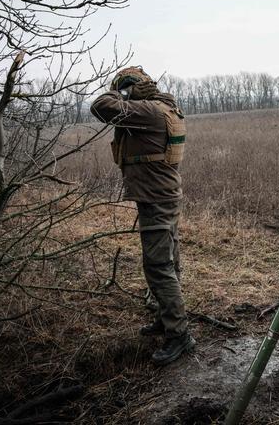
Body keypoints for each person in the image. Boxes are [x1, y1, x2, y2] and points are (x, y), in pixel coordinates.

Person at [90, 66, 195, 366]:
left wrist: (117, 93)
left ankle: (179, 336)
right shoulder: (164, 106)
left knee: (158, 266)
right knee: (168, 262)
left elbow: (101, 106)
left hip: (157, 199)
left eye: (125, 89)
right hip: (162, 195)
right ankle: (166, 321)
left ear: (131, 89)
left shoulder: (148, 112)